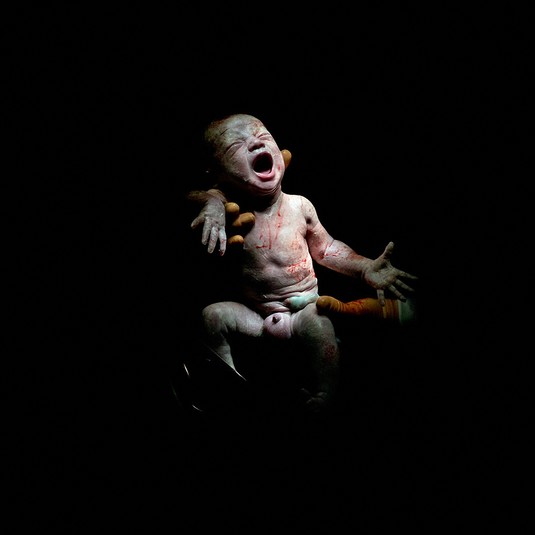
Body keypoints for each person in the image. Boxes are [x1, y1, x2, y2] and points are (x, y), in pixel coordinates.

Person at [187, 113, 418, 414]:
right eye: (235, 146)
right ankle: (228, 379)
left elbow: (327, 248)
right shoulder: (230, 210)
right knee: (212, 316)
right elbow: (194, 194)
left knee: (321, 325)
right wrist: (212, 204)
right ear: (217, 172)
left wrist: (364, 267)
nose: (256, 143)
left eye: (263, 136)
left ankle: (325, 394)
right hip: (256, 314)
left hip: (302, 308)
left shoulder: (299, 205)